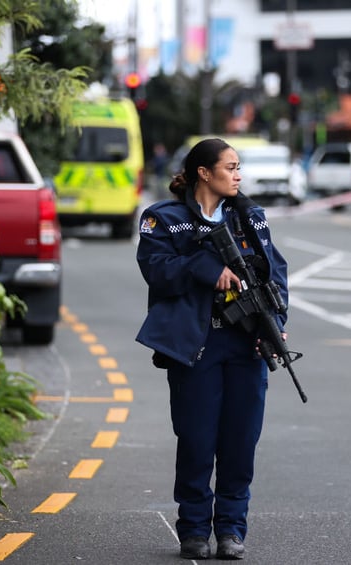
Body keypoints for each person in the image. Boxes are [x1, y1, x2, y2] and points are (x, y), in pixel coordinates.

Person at [135, 138, 289, 560]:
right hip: (195, 346)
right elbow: (157, 271)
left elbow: (276, 274)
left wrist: (277, 323)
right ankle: (194, 530)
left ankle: (231, 531)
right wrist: (208, 270)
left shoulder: (250, 217)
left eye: (239, 168)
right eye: (231, 167)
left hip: (246, 344)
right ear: (205, 172)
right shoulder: (162, 218)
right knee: (197, 440)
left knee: (240, 442)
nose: (238, 175)